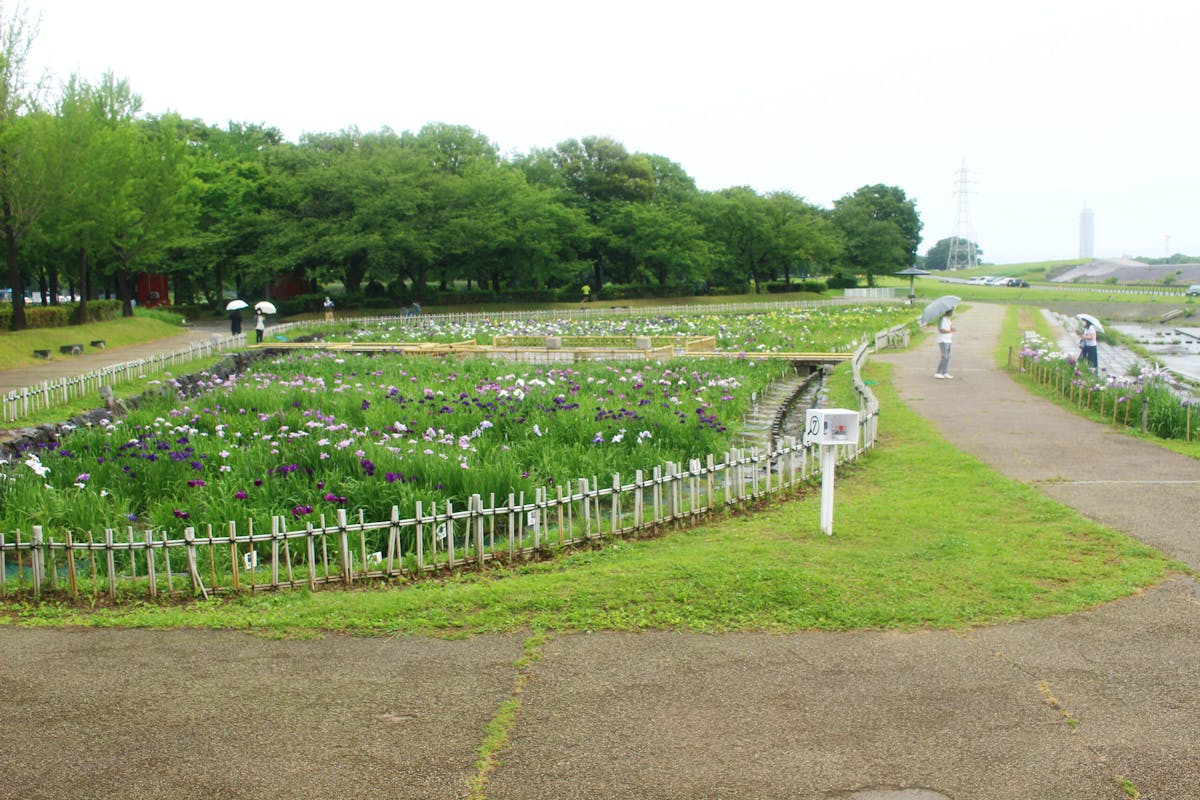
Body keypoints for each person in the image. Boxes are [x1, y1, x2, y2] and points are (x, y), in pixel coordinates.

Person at [934, 308, 954, 379]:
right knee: (944, 356)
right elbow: (941, 329)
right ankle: (938, 372)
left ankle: (945, 372)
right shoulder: (942, 319)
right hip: (943, 340)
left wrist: (952, 329)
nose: (953, 313)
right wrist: (949, 331)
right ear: (949, 312)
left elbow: (950, 328)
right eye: (952, 311)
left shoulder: (948, 319)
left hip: (948, 340)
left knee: (947, 357)